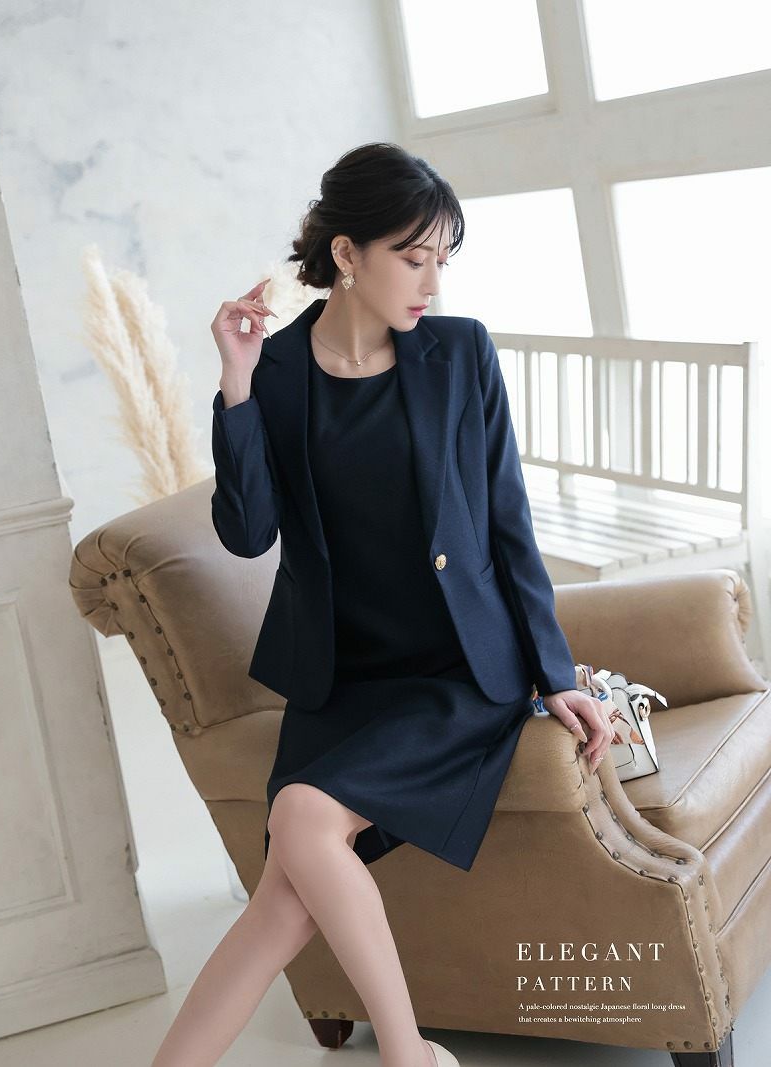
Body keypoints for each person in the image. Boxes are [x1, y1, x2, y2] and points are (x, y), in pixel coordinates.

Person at [150, 142, 614, 1067]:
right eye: (414, 257)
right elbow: (248, 533)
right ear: (348, 254)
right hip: (342, 681)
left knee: (303, 820)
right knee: (285, 893)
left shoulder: (460, 352)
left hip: (456, 673)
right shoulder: (277, 370)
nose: (432, 282)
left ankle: (408, 1056)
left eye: (443, 259)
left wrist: (553, 672)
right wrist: (235, 383)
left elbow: (507, 523)